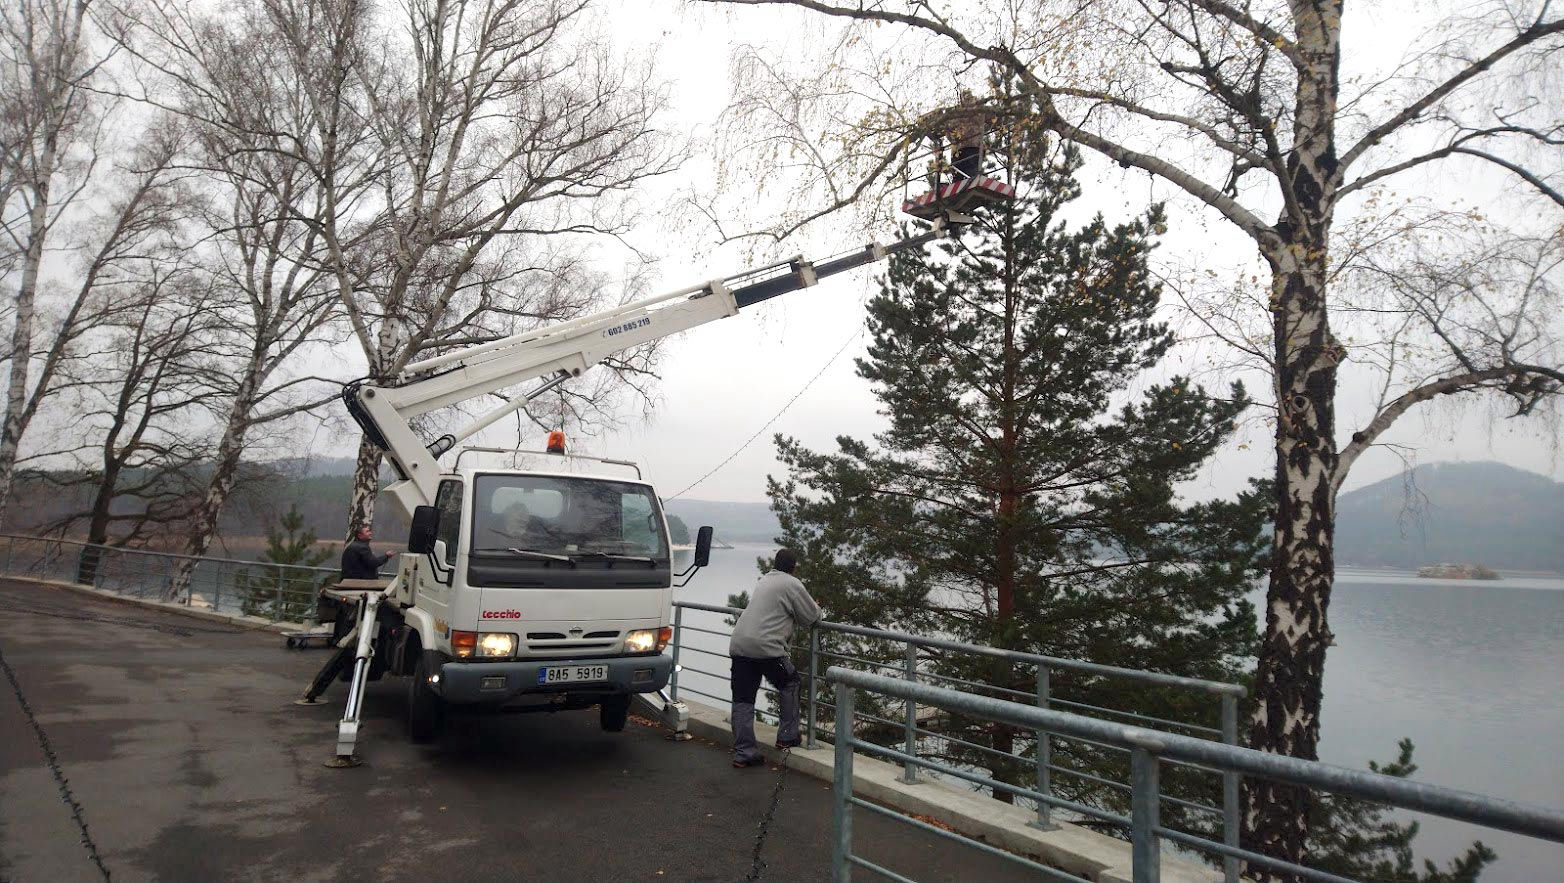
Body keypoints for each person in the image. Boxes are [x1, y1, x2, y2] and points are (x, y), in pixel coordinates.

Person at [728, 548, 823, 768]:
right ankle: (787, 736)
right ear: (794, 567)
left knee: (743, 700)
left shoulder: (765, 581)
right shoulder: (792, 584)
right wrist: (818, 608)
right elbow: (811, 617)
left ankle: (744, 752)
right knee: (790, 682)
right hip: (767, 647)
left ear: (775, 563)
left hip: (741, 644)